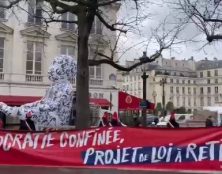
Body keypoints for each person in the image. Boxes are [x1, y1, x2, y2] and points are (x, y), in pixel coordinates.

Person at [0, 55, 77, 131]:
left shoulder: (66, 87)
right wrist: (28, 106)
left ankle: (15, 111)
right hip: (50, 115)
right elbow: (43, 101)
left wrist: (33, 110)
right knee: (27, 112)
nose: (51, 68)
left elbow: (53, 106)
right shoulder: (54, 86)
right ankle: (18, 111)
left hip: (56, 118)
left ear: (65, 69)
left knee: (29, 113)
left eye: (56, 65)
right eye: (53, 64)